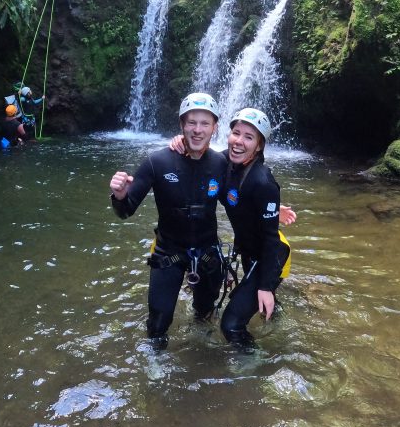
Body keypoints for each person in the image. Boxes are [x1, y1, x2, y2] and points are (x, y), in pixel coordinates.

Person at [109, 93, 229, 350]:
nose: (197, 130)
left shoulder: (221, 163)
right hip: (168, 252)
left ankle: (201, 352)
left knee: (205, 313)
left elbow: (240, 198)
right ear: (182, 125)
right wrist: (119, 196)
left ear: (215, 127)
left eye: (204, 123)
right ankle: (155, 365)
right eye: (191, 123)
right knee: (158, 321)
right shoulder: (158, 162)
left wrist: (270, 209)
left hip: (208, 252)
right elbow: (125, 211)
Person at [171, 107, 293, 349]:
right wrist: (181, 143)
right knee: (252, 301)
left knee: (231, 324)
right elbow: (198, 155)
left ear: (259, 146)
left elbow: (269, 240)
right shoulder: (225, 161)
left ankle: (254, 367)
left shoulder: (263, 180)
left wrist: (266, 286)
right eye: (236, 133)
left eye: (249, 137)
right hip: (249, 251)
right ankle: (277, 317)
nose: (239, 141)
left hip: (272, 255)